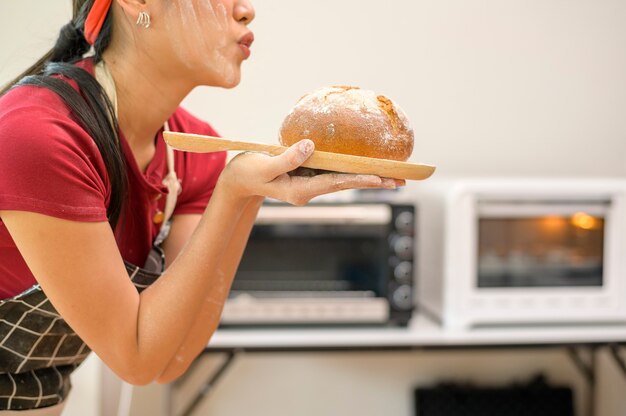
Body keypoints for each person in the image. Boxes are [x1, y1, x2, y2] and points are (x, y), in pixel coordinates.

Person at [0, 0, 402, 413]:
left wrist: (245, 194)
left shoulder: (194, 149)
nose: (246, 10)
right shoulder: (39, 133)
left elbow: (168, 359)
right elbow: (135, 358)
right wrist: (231, 193)